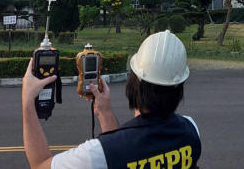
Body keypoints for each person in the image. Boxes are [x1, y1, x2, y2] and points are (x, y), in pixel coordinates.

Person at [22, 30, 201, 169]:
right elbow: (125, 153)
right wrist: (104, 113)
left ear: (134, 83)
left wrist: (28, 101)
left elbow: (40, 165)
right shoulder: (190, 131)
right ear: (179, 87)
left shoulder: (97, 153)